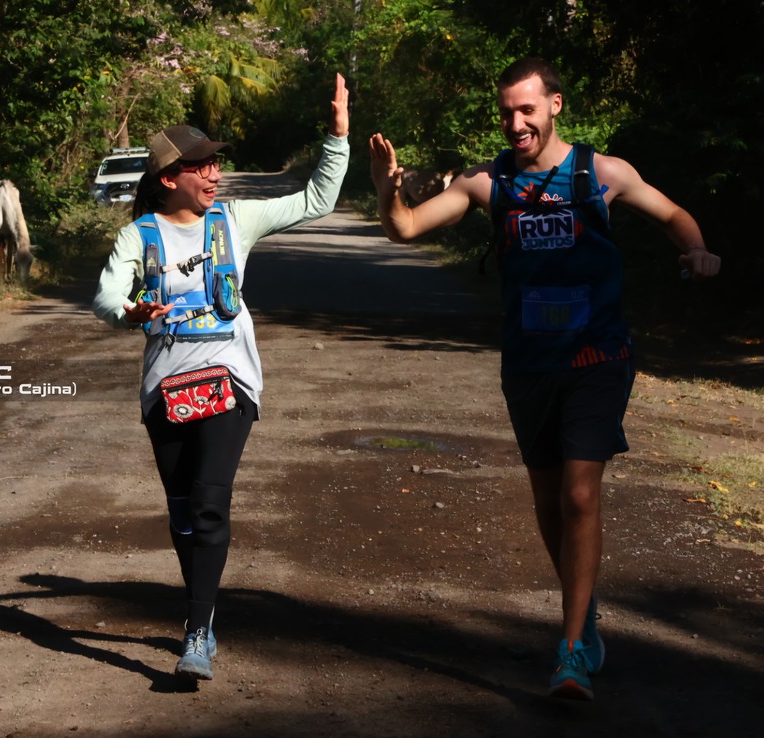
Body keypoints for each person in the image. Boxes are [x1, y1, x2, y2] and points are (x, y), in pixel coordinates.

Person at [369, 57, 720, 701]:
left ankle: (571, 650)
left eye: (527, 109)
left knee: (580, 496)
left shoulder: (601, 173)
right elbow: (406, 227)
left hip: (597, 357)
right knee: (549, 500)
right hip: (529, 363)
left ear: (555, 105)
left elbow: (673, 215)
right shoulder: (486, 182)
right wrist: (386, 189)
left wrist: (695, 248)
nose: (516, 123)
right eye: (507, 112)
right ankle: (585, 616)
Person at [93, 73, 350, 683]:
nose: (215, 174)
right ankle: (202, 614)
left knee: (209, 504)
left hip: (229, 380)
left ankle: (196, 632)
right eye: (202, 166)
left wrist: (337, 138)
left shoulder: (236, 221)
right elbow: (105, 296)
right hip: (166, 390)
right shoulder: (139, 235)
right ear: (169, 178)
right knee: (183, 513)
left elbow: (316, 201)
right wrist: (131, 311)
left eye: (215, 164)